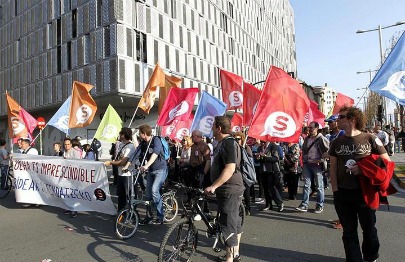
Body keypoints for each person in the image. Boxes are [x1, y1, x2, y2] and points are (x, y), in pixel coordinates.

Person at [329, 106, 390, 262]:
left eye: (341, 117)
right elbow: (333, 169)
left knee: (369, 230)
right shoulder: (336, 142)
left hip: (365, 193)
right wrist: (335, 192)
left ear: (352, 119)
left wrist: (364, 169)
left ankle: (370, 257)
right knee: (349, 232)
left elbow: (386, 161)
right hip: (343, 193)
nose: (337, 120)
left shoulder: (369, 138)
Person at [205, 116, 244, 262]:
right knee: (234, 221)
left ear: (219, 128)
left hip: (230, 188)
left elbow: (230, 168)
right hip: (228, 188)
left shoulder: (228, 143)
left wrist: (214, 186)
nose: (212, 129)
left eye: (213, 126)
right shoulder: (222, 143)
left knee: (228, 223)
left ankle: (229, 258)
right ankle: (235, 254)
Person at [296, 121, 329, 213]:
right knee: (306, 185)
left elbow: (329, 151)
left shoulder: (321, 138)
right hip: (308, 164)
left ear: (317, 128)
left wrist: (321, 160)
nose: (309, 129)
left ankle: (319, 205)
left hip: (317, 166)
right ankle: (304, 204)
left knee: (319, 186)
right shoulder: (307, 138)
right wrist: (305, 158)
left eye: (311, 128)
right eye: (309, 127)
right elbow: (304, 149)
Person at [138, 124, 168, 225]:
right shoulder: (144, 143)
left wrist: (146, 165)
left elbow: (155, 153)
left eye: (139, 133)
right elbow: (138, 154)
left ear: (144, 134)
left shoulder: (156, 140)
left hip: (160, 169)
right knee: (147, 195)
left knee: (155, 191)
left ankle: (160, 216)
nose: (138, 134)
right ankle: (149, 216)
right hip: (151, 171)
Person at [104, 127, 136, 212]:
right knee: (121, 195)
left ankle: (131, 214)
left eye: (121, 134)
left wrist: (111, 163)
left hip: (128, 175)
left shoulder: (130, 147)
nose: (119, 135)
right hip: (120, 174)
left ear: (125, 135)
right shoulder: (121, 145)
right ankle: (121, 212)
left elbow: (123, 162)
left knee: (128, 195)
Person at [260, 141, 284, 212]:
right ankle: (268, 204)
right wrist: (258, 157)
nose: (262, 142)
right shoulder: (260, 147)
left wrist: (265, 157)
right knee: (265, 188)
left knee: (272, 188)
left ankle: (279, 203)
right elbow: (259, 159)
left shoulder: (273, 146)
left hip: (271, 170)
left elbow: (275, 158)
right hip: (263, 170)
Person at [233, 131, 253, 215]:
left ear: (242, 139)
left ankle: (248, 208)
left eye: (238, 139)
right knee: (237, 193)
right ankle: (238, 208)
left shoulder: (246, 148)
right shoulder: (233, 148)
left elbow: (250, 160)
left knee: (246, 193)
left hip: (244, 173)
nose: (237, 140)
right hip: (236, 173)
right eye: (235, 139)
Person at [62, 137, 82, 217]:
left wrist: (68, 160)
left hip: (75, 175)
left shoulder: (75, 152)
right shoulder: (65, 152)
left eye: (68, 144)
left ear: (71, 144)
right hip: (67, 175)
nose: (66, 146)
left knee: (74, 192)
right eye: (65, 144)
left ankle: (75, 209)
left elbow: (78, 163)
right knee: (67, 192)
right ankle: (69, 207)